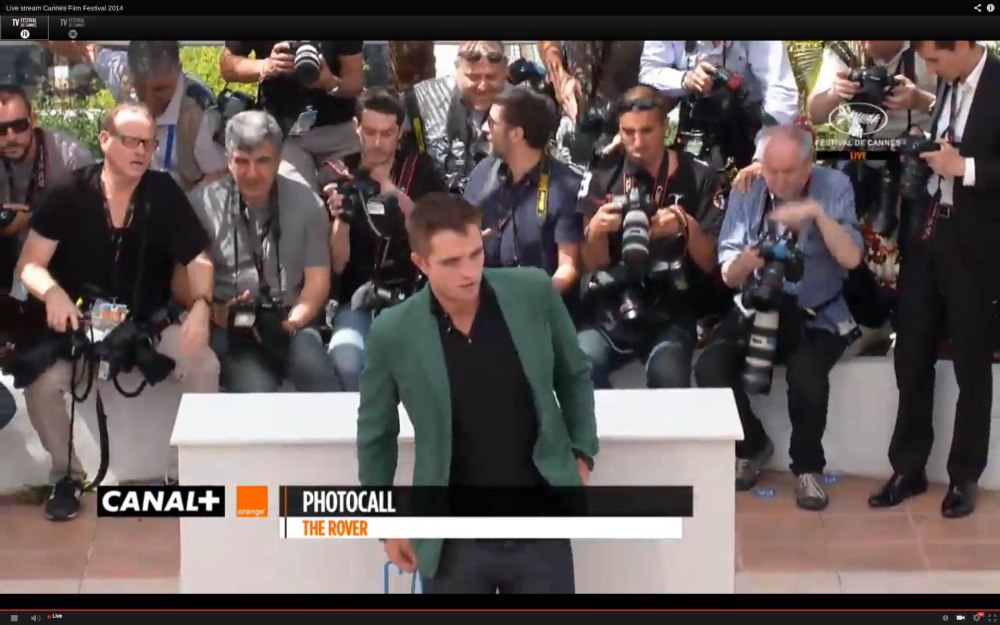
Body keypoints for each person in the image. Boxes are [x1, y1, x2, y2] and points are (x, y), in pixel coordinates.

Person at [357, 193, 597, 594]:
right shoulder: (393, 332)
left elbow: (573, 375)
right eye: (451, 262)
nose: (469, 271)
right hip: (452, 543)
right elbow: (375, 435)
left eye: (475, 254)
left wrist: (582, 453)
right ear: (421, 263)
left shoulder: (533, 292)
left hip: (540, 529)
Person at [15, 102, 219, 521]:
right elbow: (30, 264)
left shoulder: (162, 192)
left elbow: (198, 258)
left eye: (148, 143)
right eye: (131, 141)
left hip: (145, 322)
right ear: (105, 140)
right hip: (80, 325)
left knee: (204, 364)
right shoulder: (72, 191)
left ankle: (183, 477)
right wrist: (53, 294)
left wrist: (201, 305)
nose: (141, 151)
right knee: (40, 386)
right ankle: (66, 477)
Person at [693, 125, 863, 511]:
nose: (780, 181)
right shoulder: (748, 188)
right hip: (759, 306)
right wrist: (747, 262)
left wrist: (817, 214)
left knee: (807, 376)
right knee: (710, 367)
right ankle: (751, 446)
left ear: (808, 166)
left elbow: (852, 258)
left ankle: (808, 468)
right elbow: (728, 274)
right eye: (772, 171)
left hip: (815, 312)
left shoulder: (834, 185)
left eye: (789, 172)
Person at [869, 41, 1000, 519]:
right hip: (926, 234)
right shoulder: (949, 83)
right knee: (912, 352)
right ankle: (908, 468)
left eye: (935, 59)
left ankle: (964, 475)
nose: (930, 67)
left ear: (963, 44)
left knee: (971, 362)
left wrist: (964, 168)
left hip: (976, 245)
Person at [576, 86, 723, 390]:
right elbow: (591, 264)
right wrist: (597, 231)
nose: (638, 142)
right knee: (580, 370)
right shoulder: (602, 174)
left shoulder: (699, 175)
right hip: (610, 310)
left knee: (668, 376)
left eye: (647, 131)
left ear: (665, 127)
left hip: (670, 310)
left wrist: (685, 224)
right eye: (628, 132)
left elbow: (710, 262)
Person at [183, 110, 339, 393]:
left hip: (291, 320)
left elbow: (317, 283)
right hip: (228, 325)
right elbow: (180, 280)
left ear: (278, 160)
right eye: (242, 161)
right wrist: (216, 311)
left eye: (263, 161)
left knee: (314, 368)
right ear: (228, 160)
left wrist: (291, 324)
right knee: (255, 386)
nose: (252, 173)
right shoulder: (200, 205)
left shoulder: (308, 204)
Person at [807, 41, 938, 355]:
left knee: (918, 239)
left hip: (917, 156)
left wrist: (919, 100)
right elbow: (815, 112)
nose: (865, 43)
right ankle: (869, 319)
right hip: (861, 154)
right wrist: (834, 93)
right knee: (833, 223)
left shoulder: (928, 48)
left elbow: (963, 107)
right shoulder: (845, 49)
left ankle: (913, 324)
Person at [323, 88, 445, 391]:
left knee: (415, 362)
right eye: (370, 132)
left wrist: (395, 195)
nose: (378, 143)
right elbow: (337, 264)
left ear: (400, 132)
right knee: (347, 359)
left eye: (387, 134)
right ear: (356, 127)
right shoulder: (337, 173)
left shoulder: (421, 170)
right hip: (356, 298)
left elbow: (437, 236)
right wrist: (341, 219)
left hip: (410, 296)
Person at [463, 86, 582, 297]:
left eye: (491, 122)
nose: (483, 128)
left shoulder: (566, 186)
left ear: (516, 134)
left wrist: (534, 299)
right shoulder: (482, 173)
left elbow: (568, 266)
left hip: (539, 304)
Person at [640, 41, 800, 189]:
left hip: (749, 125)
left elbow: (782, 94)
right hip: (694, 121)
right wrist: (684, 79)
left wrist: (763, 155)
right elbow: (649, 71)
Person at [220, 40, 365, 190]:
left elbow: (355, 82)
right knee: (296, 198)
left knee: (349, 198)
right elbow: (227, 65)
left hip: (337, 130)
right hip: (284, 132)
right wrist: (265, 66)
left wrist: (330, 83)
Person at [85, 41, 228, 192]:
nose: (149, 98)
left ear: (179, 71)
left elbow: (220, 177)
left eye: (160, 89)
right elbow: (93, 52)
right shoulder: (125, 80)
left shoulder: (200, 113)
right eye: (141, 88)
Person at [403, 40, 510, 194]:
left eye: (491, 77)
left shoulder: (521, 104)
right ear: (457, 68)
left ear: (505, 72)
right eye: (474, 77)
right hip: (435, 200)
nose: (482, 86)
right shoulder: (421, 99)